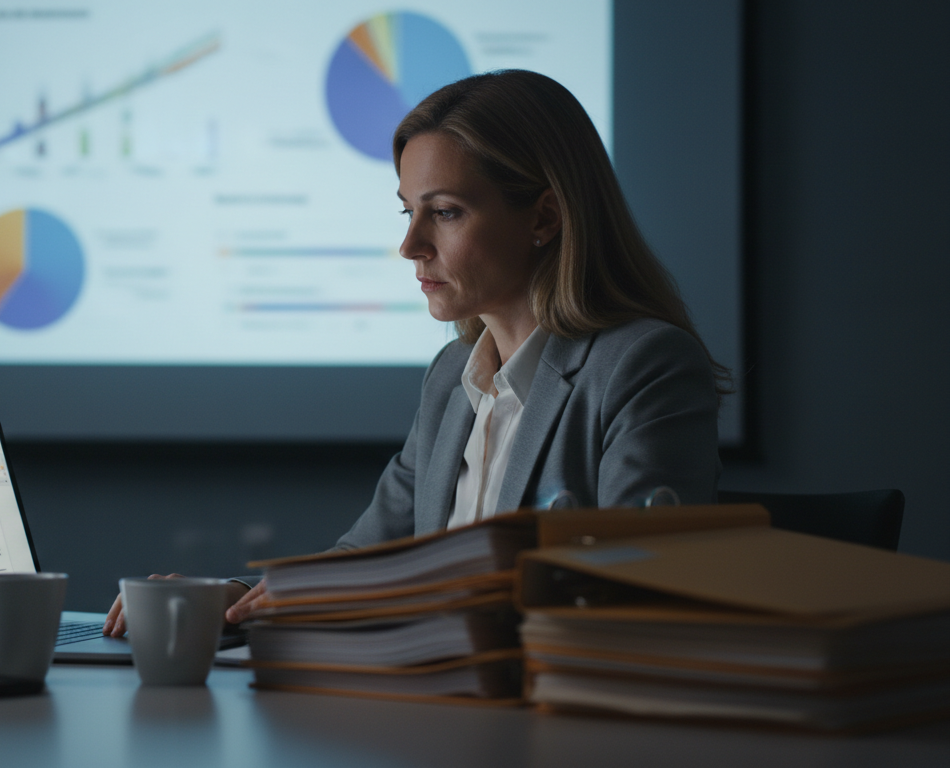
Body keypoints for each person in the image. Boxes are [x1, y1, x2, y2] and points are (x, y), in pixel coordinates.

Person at [104, 69, 728, 636]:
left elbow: (637, 592)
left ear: (545, 215)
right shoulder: (451, 378)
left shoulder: (645, 365)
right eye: (408, 212)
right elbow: (367, 559)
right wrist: (232, 597)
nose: (410, 245)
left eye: (446, 213)